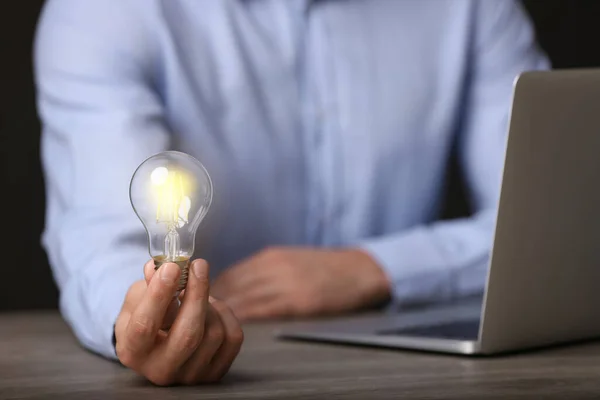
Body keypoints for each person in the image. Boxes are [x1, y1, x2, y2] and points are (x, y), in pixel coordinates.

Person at [34, 0, 549, 386]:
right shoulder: (104, 12)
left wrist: (376, 268)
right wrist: (138, 325)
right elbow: (100, 237)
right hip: (240, 373)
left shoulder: (472, 9)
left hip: (409, 375)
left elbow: (552, 224)